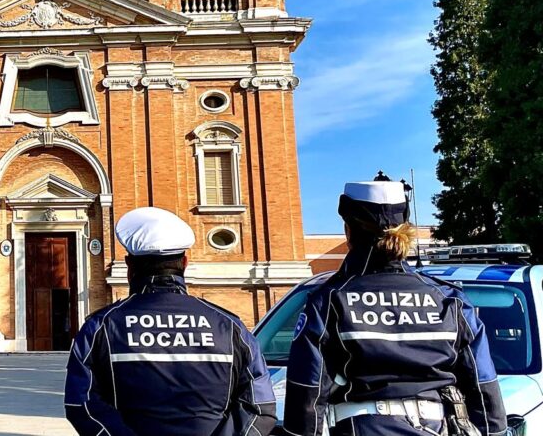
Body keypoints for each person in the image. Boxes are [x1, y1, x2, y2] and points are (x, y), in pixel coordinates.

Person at [283, 176, 507, 435]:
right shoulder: (450, 299)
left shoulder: (329, 300)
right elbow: (484, 389)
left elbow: (306, 395)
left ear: (348, 230)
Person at [64, 206, 277, 436]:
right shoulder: (231, 327)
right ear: (184, 263)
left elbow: (81, 403)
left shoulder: (100, 327)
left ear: (129, 265)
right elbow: (260, 408)